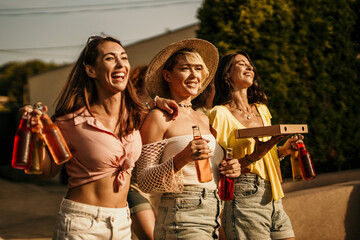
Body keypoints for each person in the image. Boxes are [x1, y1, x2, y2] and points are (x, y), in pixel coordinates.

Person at [21, 35, 178, 239]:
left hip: (122, 222)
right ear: (90, 70)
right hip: (81, 223)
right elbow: (48, 172)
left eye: (124, 57)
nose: (121, 64)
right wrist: (35, 134)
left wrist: (158, 103)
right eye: (110, 58)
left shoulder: (137, 116)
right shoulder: (70, 121)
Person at [136, 38, 241, 239]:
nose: (194, 75)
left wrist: (231, 169)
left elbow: (210, 173)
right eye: (185, 68)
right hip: (181, 213)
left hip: (214, 212)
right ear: (167, 75)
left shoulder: (203, 117)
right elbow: (145, 182)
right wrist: (182, 158)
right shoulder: (159, 117)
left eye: (198, 69)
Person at [209, 50, 301, 240]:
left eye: (250, 64)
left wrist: (282, 151)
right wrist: (252, 157)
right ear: (227, 74)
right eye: (241, 63)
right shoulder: (219, 114)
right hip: (243, 196)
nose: (249, 67)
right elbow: (218, 168)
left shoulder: (262, 109)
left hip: (274, 194)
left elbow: (265, 153)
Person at [127, 65, 156, 240]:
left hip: (161, 189)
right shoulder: (129, 113)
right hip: (135, 185)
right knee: (151, 237)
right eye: (150, 81)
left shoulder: (165, 110)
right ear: (138, 85)